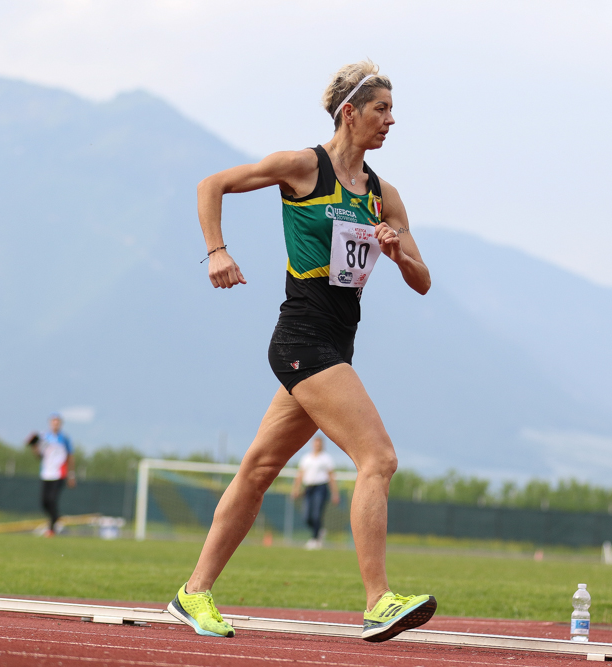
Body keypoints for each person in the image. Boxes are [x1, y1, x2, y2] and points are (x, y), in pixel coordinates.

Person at [167, 60, 436, 643]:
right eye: (382, 109)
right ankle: (378, 602)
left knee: (259, 470)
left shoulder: (383, 194)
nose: (392, 120)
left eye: (393, 110)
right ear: (350, 113)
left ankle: (193, 592)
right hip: (303, 340)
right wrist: (217, 251)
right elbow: (210, 185)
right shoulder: (303, 167)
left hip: (335, 345)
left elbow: (423, 280)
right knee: (378, 459)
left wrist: (397, 253)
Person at [26, 413, 76, 537]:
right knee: (44, 502)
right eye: (53, 422)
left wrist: (71, 475)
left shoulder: (64, 438)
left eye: (57, 422)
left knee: (52, 500)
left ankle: (52, 528)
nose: (55, 425)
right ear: (50, 423)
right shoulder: (44, 437)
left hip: (59, 474)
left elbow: (70, 457)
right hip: (46, 474)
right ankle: (55, 518)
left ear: (60, 424)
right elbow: (39, 455)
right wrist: (34, 445)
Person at [291, 435, 340, 550]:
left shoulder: (326, 458)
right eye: (315, 443)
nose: (317, 446)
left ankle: (315, 539)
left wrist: (335, 493)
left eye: (319, 444)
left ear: (322, 445)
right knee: (307, 516)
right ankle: (319, 530)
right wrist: (296, 489)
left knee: (317, 514)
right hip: (308, 488)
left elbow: (331, 477)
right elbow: (300, 474)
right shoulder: (306, 458)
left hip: (321, 488)